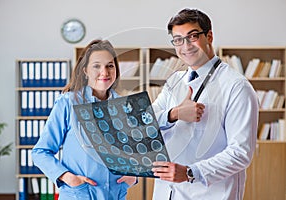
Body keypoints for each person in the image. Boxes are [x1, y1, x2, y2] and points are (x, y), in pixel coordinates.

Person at [151, 8, 259, 200]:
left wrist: (190, 172)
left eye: (192, 36)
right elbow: (147, 121)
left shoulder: (236, 87)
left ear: (209, 36)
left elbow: (240, 152)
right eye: (178, 40)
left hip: (210, 194)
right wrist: (174, 114)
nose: (185, 46)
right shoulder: (175, 80)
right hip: (166, 192)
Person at [32, 39, 137, 200]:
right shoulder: (68, 103)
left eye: (110, 65)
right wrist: (68, 177)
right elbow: (40, 152)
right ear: (85, 70)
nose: (105, 72)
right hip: (79, 194)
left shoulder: (125, 106)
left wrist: (134, 176)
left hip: (115, 194)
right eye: (97, 66)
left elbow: (135, 152)